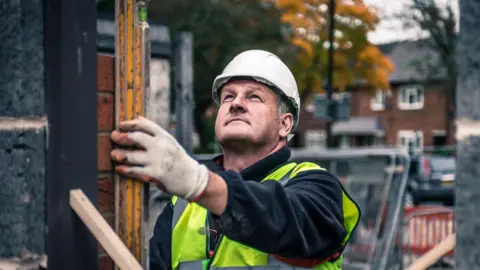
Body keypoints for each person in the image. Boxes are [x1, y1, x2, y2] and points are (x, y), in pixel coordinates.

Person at [110, 50, 361, 270]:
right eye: (228, 96)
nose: (236, 104)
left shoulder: (317, 187)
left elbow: (280, 217)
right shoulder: (182, 206)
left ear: (284, 124)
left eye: (254, 97)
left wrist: (200, 184)